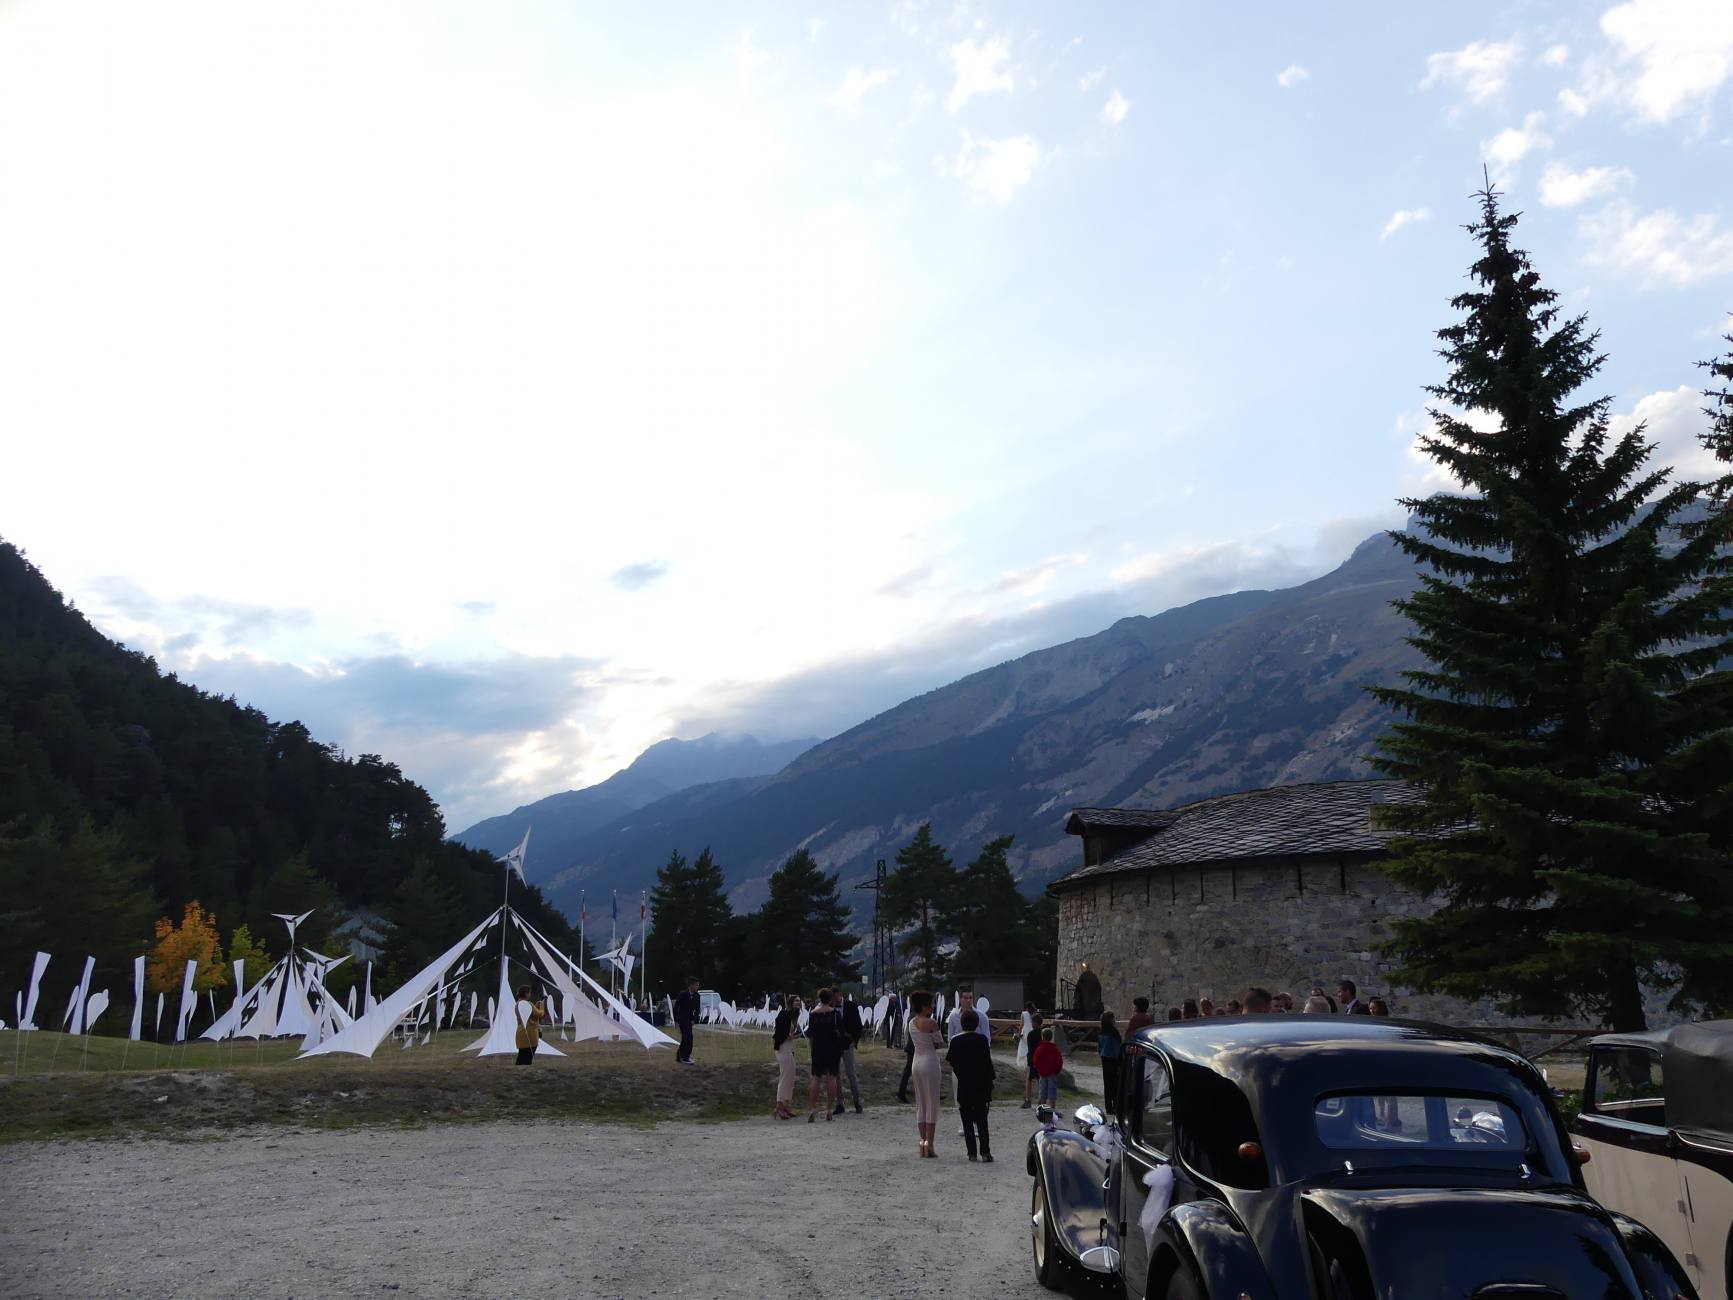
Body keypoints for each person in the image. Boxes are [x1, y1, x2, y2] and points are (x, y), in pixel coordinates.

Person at [945, 1009, 996, 1162]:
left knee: (966, 1121)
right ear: (977, 1024)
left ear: (961, 1024)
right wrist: (990, 1082)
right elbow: (988, 1063)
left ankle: (971, 1152)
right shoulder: (982, 1040)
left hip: (964, 1085)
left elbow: (951, 1061)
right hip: (981, 1085)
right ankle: (985, 1152)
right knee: (982, 1120)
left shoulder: (955, 1041)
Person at [906, 990, 945, 1157]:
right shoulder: (931, 1023)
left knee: (920, 1103)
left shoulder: (911, 1022)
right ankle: (930, 1145)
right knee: (931, 1104)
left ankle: (922, 1142)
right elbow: (940, 1043)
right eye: (931, 1003)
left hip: (916, 1061)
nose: (933, 1006)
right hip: (929, 1061)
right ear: (924, 1006)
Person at [806, 988, 844, 1123]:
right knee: (831, 1078)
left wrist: (812, 1049)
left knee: (816, 1078)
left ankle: (812, 1108)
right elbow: (841, 1031)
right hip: (832, 1048)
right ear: (830, 999)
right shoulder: (835, 1014)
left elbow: (810, 1034)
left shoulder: (813, 1014)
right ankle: (829, 1109)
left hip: (817, 1048)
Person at [834, 991, 865, 1115]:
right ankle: (839, 1103)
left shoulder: (851, 1006)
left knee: (851, 1073)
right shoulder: (830, 1007)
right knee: (836, 1075)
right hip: (835, 1044)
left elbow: (858, 1025)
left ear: (840, 995)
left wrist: (853, 1040)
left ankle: (857, 1102)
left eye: (834, 997)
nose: (833, 1000)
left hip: (848, 1043)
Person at [772, 994, 803, 1119]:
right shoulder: (784, 1014)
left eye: (799, 1001)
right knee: (785, 1076)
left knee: (791, 1076)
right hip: (783, 1047)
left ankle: (786, 1104)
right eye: (796, 1000)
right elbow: (781, 1032)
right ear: (791, 1002)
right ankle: (779, 1106)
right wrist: (794, 1036)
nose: (798, 1002)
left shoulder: (794, 1016)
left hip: (789, 1047)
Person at [1097, 1011, 1123, 1116]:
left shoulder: (1101, 1031)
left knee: (1107, 1083)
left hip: (1104, 1058)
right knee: (1115, 1083)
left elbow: (1099, 1047)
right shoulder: (1113, 1032)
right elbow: (1116, 1048)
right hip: (1113, 1059)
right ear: (1111, 1019)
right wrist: (1120, 1060)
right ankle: (1116, 1105)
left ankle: (1108, 1107)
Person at [513, 984, 545, 1066]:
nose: (530, 994)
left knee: (522, 1056)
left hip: (521, 1033)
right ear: (526, 994)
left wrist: (535, 1006)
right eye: (529, 993)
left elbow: (530, 1013)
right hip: (530, 1034)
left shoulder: (518, 1004)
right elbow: (539, 1014)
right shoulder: (528, 1003)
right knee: (527, 1058)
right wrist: (542, 1006)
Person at [1031, 1027, 1063, 1108]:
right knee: (1052, 1092)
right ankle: (1052, 1109)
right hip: (1052, 1073)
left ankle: (1043, 1109)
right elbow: (1059, 1061)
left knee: (1042, 1092)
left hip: (1042, 1073)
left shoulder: (1039, 1049)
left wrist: (1038, 1069)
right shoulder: (1055, 1049)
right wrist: (1057, 1071)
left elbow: (1035, 1061)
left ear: (1042, 1037)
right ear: (1051, 1037)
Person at [672, 977, 700, 1065]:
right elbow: (676, 1007)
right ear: (691, 985)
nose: (697, 987)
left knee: (687, 1038)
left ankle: (680, 1055)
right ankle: (685, 1057)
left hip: (690, 1020)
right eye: (696, 985)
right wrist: (676, 1019)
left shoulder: (697, 996)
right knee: (687, 1037)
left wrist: (694, 1019)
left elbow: (698, 1009)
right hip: (682, 1019)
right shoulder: (682, 994)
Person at [1022, 1013, 1045, 1108]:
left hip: (1031, 1059)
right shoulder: (1043, 1033)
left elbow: (1030, 1048)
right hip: (1041, 1060)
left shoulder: (1031, 1034)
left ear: (1034, 1023)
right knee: (1041, 1080)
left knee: (1029, 1079)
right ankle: (1041, 1099)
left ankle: (1028, 1100)